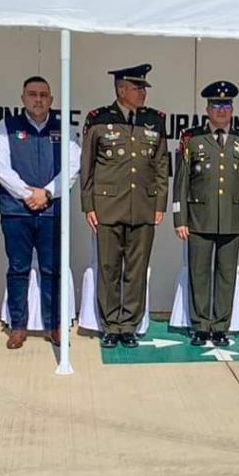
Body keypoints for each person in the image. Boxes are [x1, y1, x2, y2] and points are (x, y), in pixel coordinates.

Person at [80, 64, 168, 349]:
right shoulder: (98, 119)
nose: (143, 92)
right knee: (108, 268)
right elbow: (87, 167)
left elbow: (161, 164)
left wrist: (160, 203)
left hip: (143, 206)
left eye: (143, 88)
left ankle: (128, 325)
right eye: (137, 87)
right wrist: (88, 205)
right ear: (121, 90)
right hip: (108, 207)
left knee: (136, 269)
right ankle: (110, 325)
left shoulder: (154, 121)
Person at [0, 75, 79, 350]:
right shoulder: (6, 126)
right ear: (23, 99)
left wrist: (47, 193)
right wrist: (28, 194)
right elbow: (0, 168)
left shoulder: (65, 128)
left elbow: (72, 167)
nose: (38, 99)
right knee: (18, 269)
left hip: (52, 210)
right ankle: (18, 327)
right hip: (16, 212)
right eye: (32, 94)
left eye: (43, 95)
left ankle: (53, 325)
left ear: (52, 100)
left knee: (51, 271)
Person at [173, 81, 239, 347]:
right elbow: (181, 182)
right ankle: (200, 325)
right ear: (207, 109)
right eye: (216, 105)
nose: (222, 110)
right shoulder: (192, 138)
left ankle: (221, 326)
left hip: (232, 219)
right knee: (198, 274)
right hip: (199, 218)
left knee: (226, 274)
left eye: (226, 105)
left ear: (232, 109)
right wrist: (180, 218)